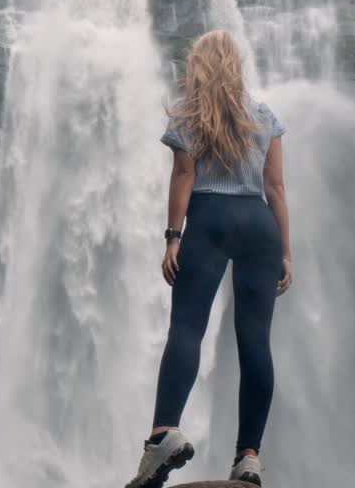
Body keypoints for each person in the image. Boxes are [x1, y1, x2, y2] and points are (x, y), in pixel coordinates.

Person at [125, 30, 292, 488]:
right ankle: (249, 457)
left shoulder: (189, 115)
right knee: (256, 342)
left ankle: (164, 433)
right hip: (260, 225)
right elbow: (275, 187)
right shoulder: (263, 115)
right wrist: (286, 251)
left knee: (187, 328)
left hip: (210, 217)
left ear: (197, 65)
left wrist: (173, 238)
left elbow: (184, 174)